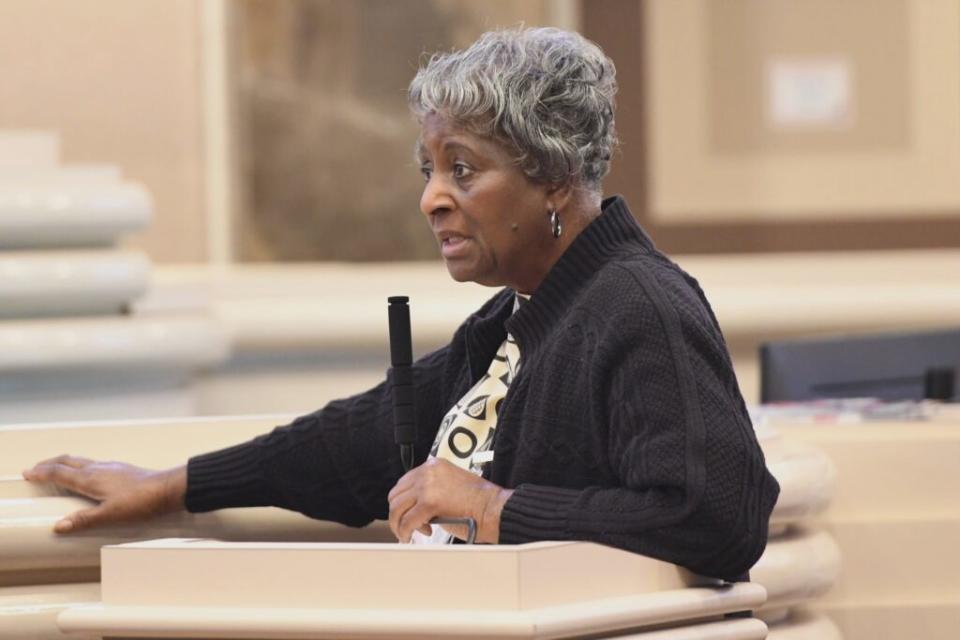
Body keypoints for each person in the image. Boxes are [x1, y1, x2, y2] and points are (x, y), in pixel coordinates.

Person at [23, 27, 779, 580]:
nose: (431, 200)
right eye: (429, 168)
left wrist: (495, 508)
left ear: (553, 178)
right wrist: (175, 483)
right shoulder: (517, 317)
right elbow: (353, 443)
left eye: (463, 170)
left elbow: (716, 516)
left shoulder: (638, 306)